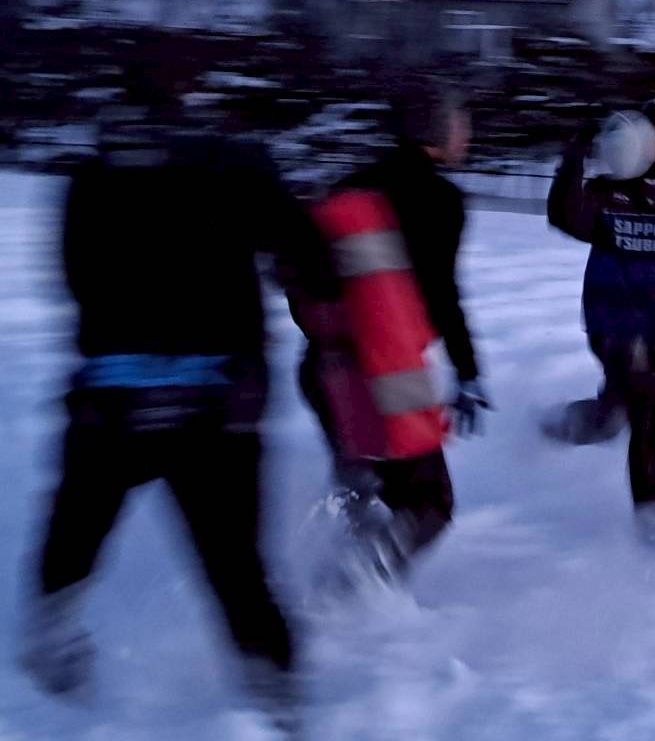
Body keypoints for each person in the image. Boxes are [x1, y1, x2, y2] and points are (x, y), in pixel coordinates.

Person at [20, 52, 333, 732]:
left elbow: (73, 278)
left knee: (75, 533)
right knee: (236, 567)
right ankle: (279, 703)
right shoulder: (234, 164)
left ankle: (54, 631)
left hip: (112, 401)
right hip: (216, 405)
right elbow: (313, 258)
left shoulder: (90, 176)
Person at [296, 80, 488, 583]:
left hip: (323, 367)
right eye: (460, 123)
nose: (466, 134)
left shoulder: (349, 187)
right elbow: (442, 295)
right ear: (437, 130)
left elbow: (307, 282)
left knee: (362, 487)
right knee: (429, 504)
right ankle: (348, 591)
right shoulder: (440, 200)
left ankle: (342, 584)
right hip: (386, 373)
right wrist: (468, 370)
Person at [547, 96, 655, 536]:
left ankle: (560, 425)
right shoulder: (609, 192)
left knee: (616, 415)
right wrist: (575, 155)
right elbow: (564, 216)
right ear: (641, 136)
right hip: (616, 324)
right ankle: (651, 528)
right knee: (650, 416)